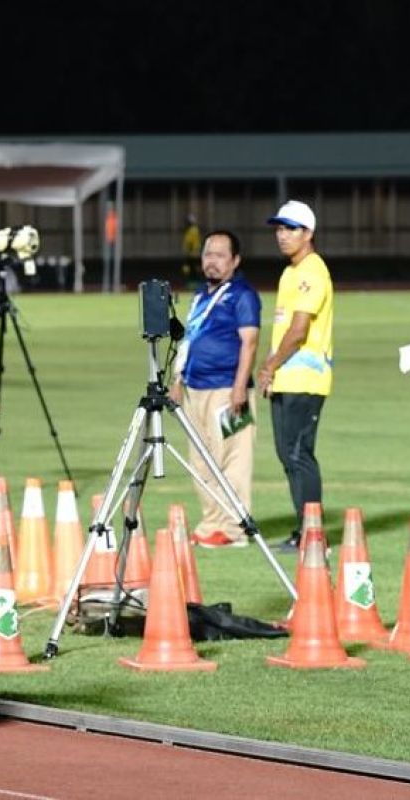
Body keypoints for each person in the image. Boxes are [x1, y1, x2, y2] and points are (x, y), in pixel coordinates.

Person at [169, 229, 260, 547]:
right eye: (208, 254)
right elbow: (188, 339)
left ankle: (234, 529)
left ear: (235, 261)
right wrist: (177, 379)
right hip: (195, 388)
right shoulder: (199, 297)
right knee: (201, 460)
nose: (212, 261)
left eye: (221, 255)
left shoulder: (243, 295)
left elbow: (249, 342)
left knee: (232, 459)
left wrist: (239, 388)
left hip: (226, 389)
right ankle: (211, 524)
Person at [256, 200, 333, 554]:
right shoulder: (291, 272)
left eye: (290, 228)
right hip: (288, 378)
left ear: (309, 233)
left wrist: (269, 365)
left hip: (306, 379)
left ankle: (313, 536)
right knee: (288, 455)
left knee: (299, 454)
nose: (282, 235)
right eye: (279, 228)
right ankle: (303, 528)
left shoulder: (313, 271)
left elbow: (299, 330)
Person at [180, 212, 202, 292]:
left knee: (193, 270)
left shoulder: (193, 230)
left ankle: (194, 285)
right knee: (190, 269)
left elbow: (191, 242)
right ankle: (192, 285)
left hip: (193, 254)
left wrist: (190, 250)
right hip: (192, 253)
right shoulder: (191, 230)